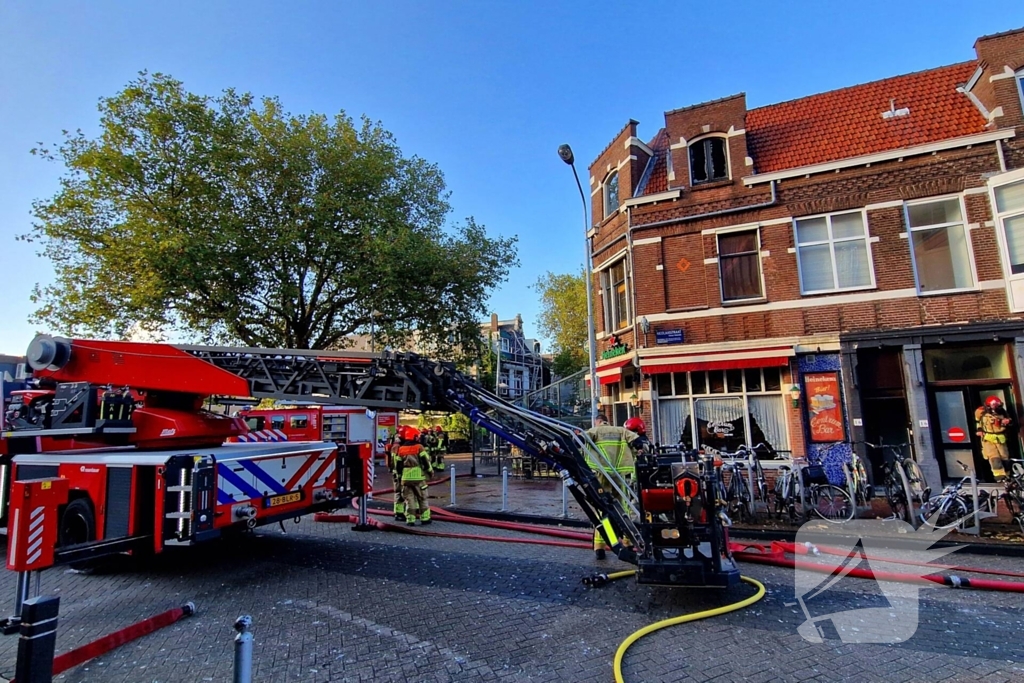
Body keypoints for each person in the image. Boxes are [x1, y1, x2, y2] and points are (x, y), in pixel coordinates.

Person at [584, 413, 643, 560]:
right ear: (607, 421)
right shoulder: (621, 431)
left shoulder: (595, 431)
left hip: (601, 476)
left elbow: (579, 441)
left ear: (598, 422)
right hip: (618, 475)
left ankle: (601, 547)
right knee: (624, 508)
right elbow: (637, 441)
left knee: (603, 511)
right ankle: (628, 542)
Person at [396, 426, 434, 525]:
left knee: (409, 499)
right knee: (422, 498)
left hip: (405, 479)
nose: (418, 438)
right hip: (418, 478)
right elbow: (426, 462)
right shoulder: (419, 447)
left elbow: (398, 466)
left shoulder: (401, 449)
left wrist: (400, 477)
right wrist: (430, 472)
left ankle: (410, 520)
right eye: (417, 436)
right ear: (414, 436)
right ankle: (425, 518)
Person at [976, 396, 1014, 481]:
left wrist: (1007, 422)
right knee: (994, 458)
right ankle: (999, 476)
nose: (995, 408)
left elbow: (1010, 421)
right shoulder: (982, 413)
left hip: (1000, 438)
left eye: (996, 406)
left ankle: (1007, 475)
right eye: (993, 405)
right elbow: (979, 423)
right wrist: (979, 430)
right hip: (988, 438)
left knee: (1004, 457)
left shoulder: (1003, 412)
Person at [388, 429, 406, 522]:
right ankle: (399, 513)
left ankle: (398, 512)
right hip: (399, 474)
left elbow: (392, 462)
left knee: (398, 493)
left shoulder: (394, 446)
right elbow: (399, 463)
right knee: (400, 493)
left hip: (396, 473)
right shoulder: (398, 447)